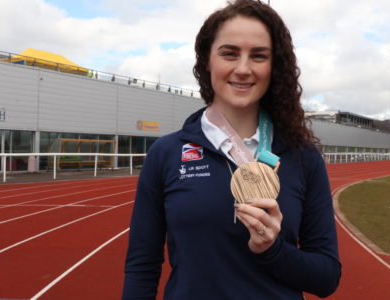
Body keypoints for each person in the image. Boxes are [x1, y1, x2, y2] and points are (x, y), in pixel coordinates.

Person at [122, 0, 341, 299]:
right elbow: (142, 266)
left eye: (259, 56)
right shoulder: (166, 153)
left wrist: (272, 250)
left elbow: (326, 278)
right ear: (207, 60)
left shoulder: (303, 158)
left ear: (274, 66)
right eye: (229, 53)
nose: (243, 69)